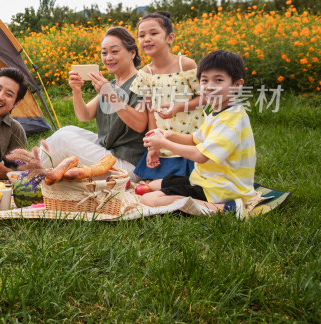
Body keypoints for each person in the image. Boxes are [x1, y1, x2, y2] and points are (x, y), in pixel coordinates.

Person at [140, 50, 256, 216]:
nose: (209, 86)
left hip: (222, 190)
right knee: (153, 184)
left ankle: (226, 210)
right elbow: (194, 140)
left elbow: (200, 155)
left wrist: (164, 144)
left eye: (218, 80)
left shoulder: (232, 120)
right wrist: (168, 134)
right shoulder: (219, 112)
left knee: (149, 200)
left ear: (237, 85)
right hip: (207, 180)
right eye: (204, 80)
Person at [39, 26, 148, 181]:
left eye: (114, 51)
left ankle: (26, 174)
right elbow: (84, 115)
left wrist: (109, 94)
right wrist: (76, 90)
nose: (108, 57)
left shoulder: (141, 82)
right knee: (68, 130)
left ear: (132, 52)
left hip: (129, 165)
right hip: (110, 152)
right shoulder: (111, 83)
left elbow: (139, 125)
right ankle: (31, 168)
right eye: (104, 52)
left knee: (64, 140)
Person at [130, 11, 203, 180]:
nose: (146, 39)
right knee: (159, 185)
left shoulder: (185, 64)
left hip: (190, 136)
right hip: (164, 141)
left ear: (170, 38)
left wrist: (178, 107)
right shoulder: (144, 74)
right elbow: (150, 112)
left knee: (194, 182)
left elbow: (205, 98)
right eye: (141, 35)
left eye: (153, 33)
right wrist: (153, 147)